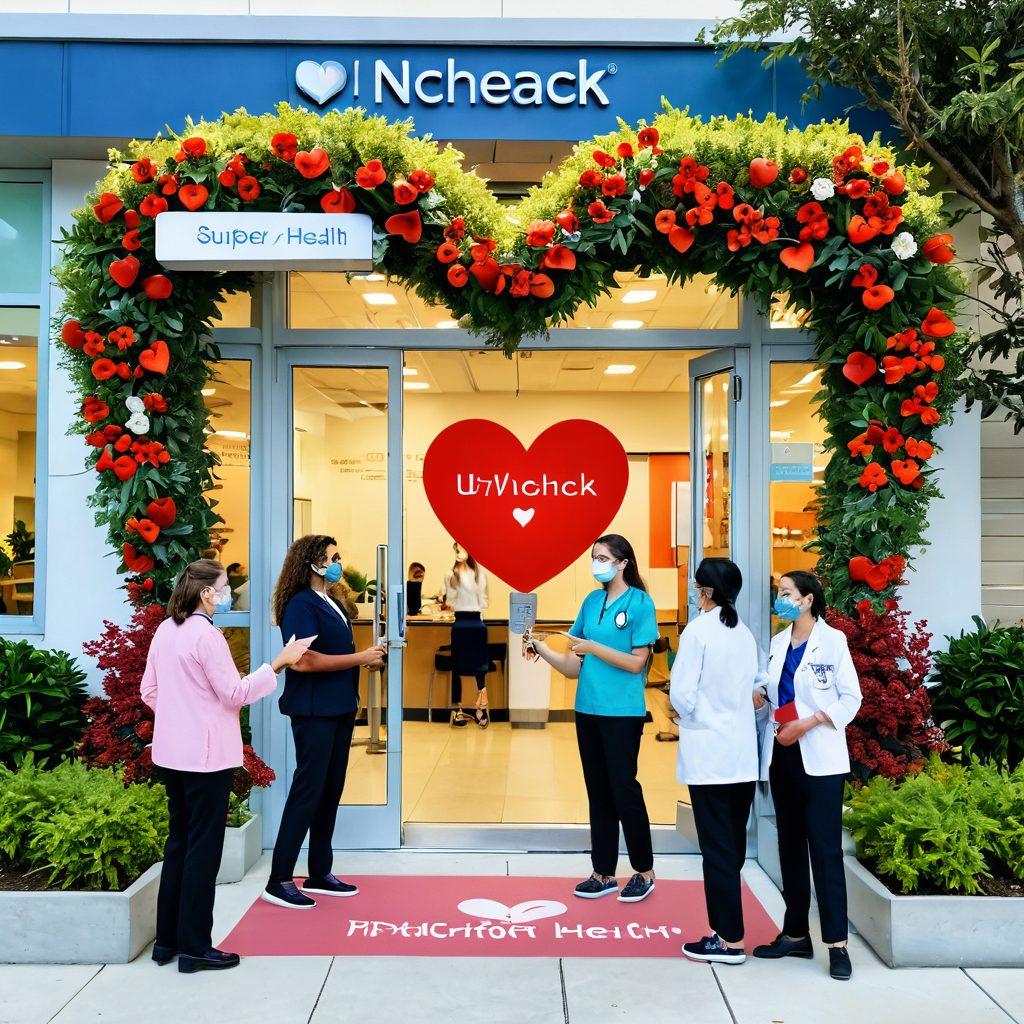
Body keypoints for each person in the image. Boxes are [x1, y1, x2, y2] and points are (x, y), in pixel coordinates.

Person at [140, 558, 312, 974]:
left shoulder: (166, 630)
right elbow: (235, 693)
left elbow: (150, 691)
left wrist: (182, 718)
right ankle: (196, 946)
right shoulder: (207, 636)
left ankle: (168, 941)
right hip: (206, 758)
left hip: (172, 755)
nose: (229, 593)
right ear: (206, 593)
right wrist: (279, 663)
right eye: (225, 586)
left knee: (179, 843)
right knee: (203, 850)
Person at [525, 534, 659, 903]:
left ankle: (643, 871)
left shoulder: (640, 603)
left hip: (622, 713)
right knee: (598, 792)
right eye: (593, 557)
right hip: (588, 709)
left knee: (624, 789)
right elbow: (573, 666)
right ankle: (603, 872)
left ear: (622, 563)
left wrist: (594, 647)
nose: (596, 563)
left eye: (602, 557)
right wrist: (543, 649)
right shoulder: (592, 601)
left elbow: (636, 662)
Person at [262, 535, 386, 910]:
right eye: (332, 557)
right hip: (314, 710)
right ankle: (279, 877)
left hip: (339, 706)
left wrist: (363, 659)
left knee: (330, 789)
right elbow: (304, 660)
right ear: (311, 562)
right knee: (308, 790)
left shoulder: (330, 600)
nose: (338, 563)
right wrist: (359, 657)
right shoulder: (299, 604)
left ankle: (319, 871)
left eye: (338, 556)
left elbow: (334, 651)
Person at [752, 570, 862, 981]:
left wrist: (811, 721)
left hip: (820, 760)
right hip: (782, 756)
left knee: (825, 851)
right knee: (790, 848)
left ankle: (837, 944)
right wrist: (759, 697)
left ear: (808, 599)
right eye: (779, 593)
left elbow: (852, 698)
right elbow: (771, 693)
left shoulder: (833, 642)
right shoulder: (778, 644)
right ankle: (796, 933)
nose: (780, 600)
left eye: (786, 593)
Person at [670, 558, 759, 966]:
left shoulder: (698, 632)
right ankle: (726, 931)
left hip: (709, 756)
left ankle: (728, 939)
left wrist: (683, 715)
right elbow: (761, 691)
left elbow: (682, 693)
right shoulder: (744, 634)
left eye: (696, 585)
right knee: (733, 846)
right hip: (741, 756)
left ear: (706, 591)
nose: (693, 590)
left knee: (717, 849)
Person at [444, 542, 491, 728]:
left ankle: (458, 711)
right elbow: (484, 603)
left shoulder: (452, 575)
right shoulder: (478, 575)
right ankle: (480, 708)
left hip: (462, 624)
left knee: (458, 667)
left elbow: (450, 600)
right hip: (476, 624)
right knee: (479, 667)